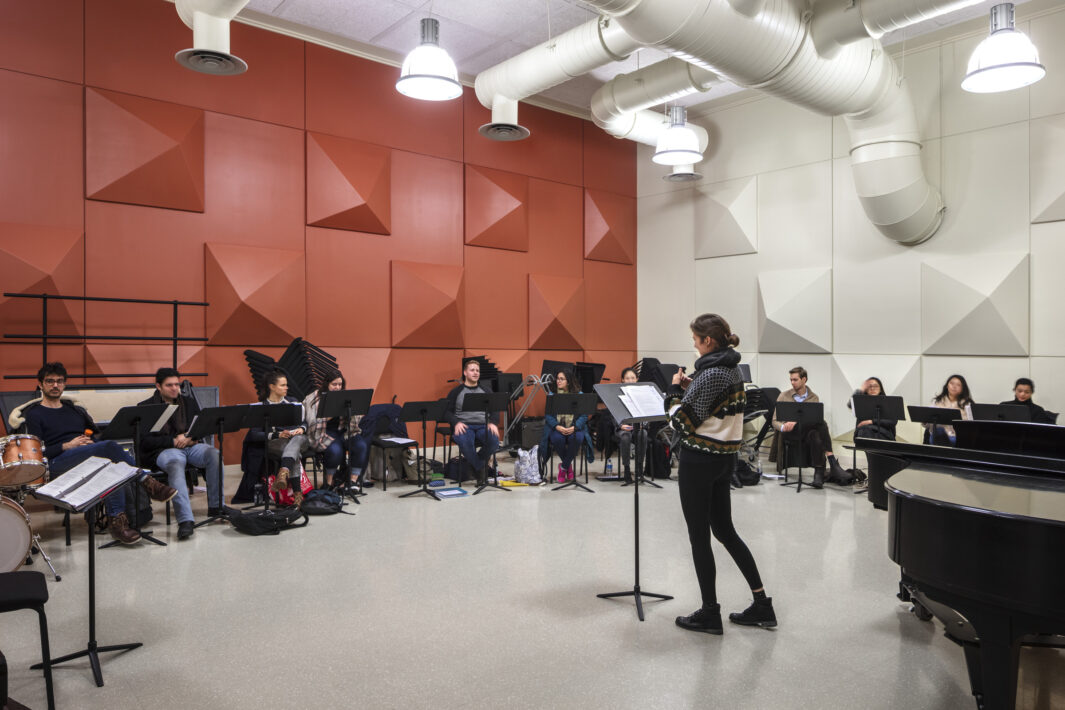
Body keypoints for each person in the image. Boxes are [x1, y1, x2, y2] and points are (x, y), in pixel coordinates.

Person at [666, 314, 775, 634]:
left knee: (699, 537)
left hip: (699, 461)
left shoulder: (710, 373)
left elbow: (681, 422)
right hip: (724, 460)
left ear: (708, 341)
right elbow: (713, 406)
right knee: (726, 532)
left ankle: (710, 612)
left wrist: (674, 393)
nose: (694, 346)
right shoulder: (732, 369)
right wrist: (692, 389)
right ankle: (762, 604)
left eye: (696, 341)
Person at [11, 362, 177, 544]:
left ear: (65, 384)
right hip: (56, 463)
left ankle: (119, 524)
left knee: (114, 467)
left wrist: (91, 443)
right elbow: (38, 455)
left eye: (59, 381)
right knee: (109, 447)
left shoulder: (75, 410)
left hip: (84, 458)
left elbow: (97, 436)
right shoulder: (34, 415)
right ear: (41, 384)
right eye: (50, 381)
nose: (55, 385)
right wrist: (67, 446)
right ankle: (146, 481)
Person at [138, 367, 222, 540]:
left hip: (190, 446)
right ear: (158, 386)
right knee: (175, 465)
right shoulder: (146, 407)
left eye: (177, 384)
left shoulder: (189, 402)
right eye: (169, 385)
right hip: (164, 450)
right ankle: (185, 520)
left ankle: (216, 507)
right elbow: (145, 442)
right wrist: (173, 441)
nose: (175, 388)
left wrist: (192, 438)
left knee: (214, 454)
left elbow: (201, 426)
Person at [771, 366, 849, 488]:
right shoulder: (783, 396)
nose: (792, 382)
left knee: (816, 434)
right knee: (821, 423)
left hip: (807, 433)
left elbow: (813, 421)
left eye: (795, 379)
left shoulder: (813, 397)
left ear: (804, 379)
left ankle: (818, 474)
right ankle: (831, 460)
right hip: (791, 433)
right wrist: (783, 427)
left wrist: (795, 421)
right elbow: (774, 421)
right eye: (791, 379)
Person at [247, 368, 309, 507]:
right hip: (277, 442)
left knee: (297, 440)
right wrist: (277, 434)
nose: (287, 388)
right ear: (272, 387)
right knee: (293, 453)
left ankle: (284, 473)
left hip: (298, 439)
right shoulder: (261, 407)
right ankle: (297, 494)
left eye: (286, 385)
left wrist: (301, 428)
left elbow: (305, 422)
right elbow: (254, 434)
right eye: (283, 385)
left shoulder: (293, 402)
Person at [303, 369, 368, 490]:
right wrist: (331, 414)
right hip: (325, 432)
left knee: (361, 445)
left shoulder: (345, 396)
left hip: (344, 431)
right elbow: (311, 422)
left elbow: (354, 419)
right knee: (335, 451)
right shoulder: (314, 398)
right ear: (326, 384)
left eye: (340, 384)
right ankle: (329, 482)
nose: (337, 387)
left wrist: (354, 412)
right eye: (334, 384)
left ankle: (352, 482)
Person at [445, 359, 500, 481]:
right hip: (464, 425)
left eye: (477, 371)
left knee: (494, 441)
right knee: (465, 442)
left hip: (482, 425)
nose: (475, 373)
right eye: (472, 370)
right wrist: (456, 423)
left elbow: (495, 409)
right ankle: (481, 468)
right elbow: (446, 412)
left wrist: (493, 423)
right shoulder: (456, 392)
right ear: (465, 373)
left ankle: (475, 464)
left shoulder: (486, 390)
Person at [541, 369, 589, 483]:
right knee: (557, 439)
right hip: (558, 427)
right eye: (557, 379)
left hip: (574, 427)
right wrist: (557, 426)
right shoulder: (552, 395)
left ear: (568, 381)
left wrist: (575, 427)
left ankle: (563, 468)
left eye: (561, 379)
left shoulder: (579, 395)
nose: (558, 381)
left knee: (577, 438)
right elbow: (548, 416)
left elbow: (584, 415)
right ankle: (568, 466)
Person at [926, 374, 973, 445]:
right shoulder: (937, 402)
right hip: (939, 437)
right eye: (952, 383)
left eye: (958, 385)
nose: (954, 386)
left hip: (959, 438)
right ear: (947, 386)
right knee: (939, 431)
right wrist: (925, 420)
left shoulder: (968, 404)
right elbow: (928, 426)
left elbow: (971, 425)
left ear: (963, 389)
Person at [611, 367, 639, 483]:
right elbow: (612, 413)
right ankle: (627, 468)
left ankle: (639, 468)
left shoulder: (641, 393)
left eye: (633, 378)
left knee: (643, 434)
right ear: (622, 380)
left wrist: (642, 425)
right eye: (627, 378)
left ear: (637, 379)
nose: (630, 380)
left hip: (637, 427)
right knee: (626, 436)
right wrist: (620, 425)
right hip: (622, 427)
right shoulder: (617, 393)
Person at [849, 377, 896, 441]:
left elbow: (892, 422)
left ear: (880, 389)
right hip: (864, 434)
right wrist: (861, 390)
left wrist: (871, 421)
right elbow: (850, 404)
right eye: (869, 386)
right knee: (864, 432)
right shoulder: (862, 403)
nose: (872, 388)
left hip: (883, 435)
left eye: (875, 386)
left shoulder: (888, 403)